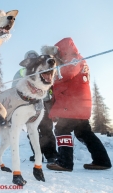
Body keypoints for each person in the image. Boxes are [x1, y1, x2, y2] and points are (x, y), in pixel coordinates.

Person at [45, 37, 111, 171]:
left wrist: (53, 75)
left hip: (72, 104)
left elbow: (67, 74)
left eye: (57, 54)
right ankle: (102, 160)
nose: (56, 57)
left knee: (62, 129)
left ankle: (65, 162)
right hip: (77, 103)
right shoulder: (74, 59)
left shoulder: (74, 58)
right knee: (84, 133)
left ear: (62, 50)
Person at [12, 50, 58, 163]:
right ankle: (41, 154)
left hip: (42, 102)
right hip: (30, 104)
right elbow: (15, 87)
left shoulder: (46, 67)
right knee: (35, 129)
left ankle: (49, 155)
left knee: (43, 129)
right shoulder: (22, 71)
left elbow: (51, 86)